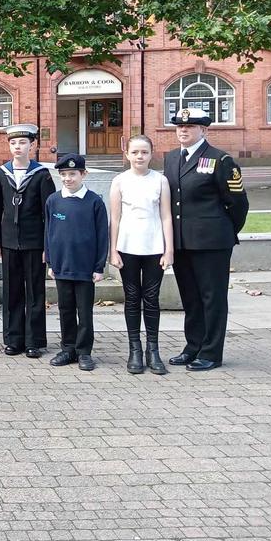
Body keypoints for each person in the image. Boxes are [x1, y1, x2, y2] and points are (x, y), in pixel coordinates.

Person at [164, 107, 249, 371]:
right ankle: (193, 347)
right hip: (182, 242)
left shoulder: (219, 159)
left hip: (212, 243)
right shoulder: (170, 158)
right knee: (190, 297)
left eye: (190, 126)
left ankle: (211, 353)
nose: (183, 130)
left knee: (212, 297)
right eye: (179, 126)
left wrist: (221, 231)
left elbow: (238, 204)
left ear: (204, 130)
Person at [0, 124, 56, 358]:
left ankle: (34, 340)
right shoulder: (1, 173)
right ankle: (13, 339)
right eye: (13, 143)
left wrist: (48, 246)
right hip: (9, 242)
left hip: (35, 243)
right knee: (11, 291)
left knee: (35, 292)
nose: (18, 147)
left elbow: (49, 214)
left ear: (32, 145)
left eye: (23, 143)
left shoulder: (41, 175)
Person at [108, 135, 173, 374]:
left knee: (152, 298)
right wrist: (112, 250)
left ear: (151, 154)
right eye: (135, 152)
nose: (139, 157)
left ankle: (153, 350)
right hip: (128, 246)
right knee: (133, 297)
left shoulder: (160, 181)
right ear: (127, 154)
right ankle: (134, 349)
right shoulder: (120, 181)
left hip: (154, 246)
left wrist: (169, 249)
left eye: (144, 152)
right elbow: (115, 218)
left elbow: (166, 216)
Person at [44, 154, 108, 371]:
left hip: (85, 268)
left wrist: (99, 266)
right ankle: (68, 348)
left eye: (72, 174)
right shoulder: (54, 200)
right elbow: (49, 233)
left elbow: (102, 236)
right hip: (62, 266)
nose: (68, 178)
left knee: (84, 311)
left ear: (83, 174)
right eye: (63, 174)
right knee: (65, 309)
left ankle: (84, 351)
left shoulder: (94, 202)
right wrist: (51, 262)